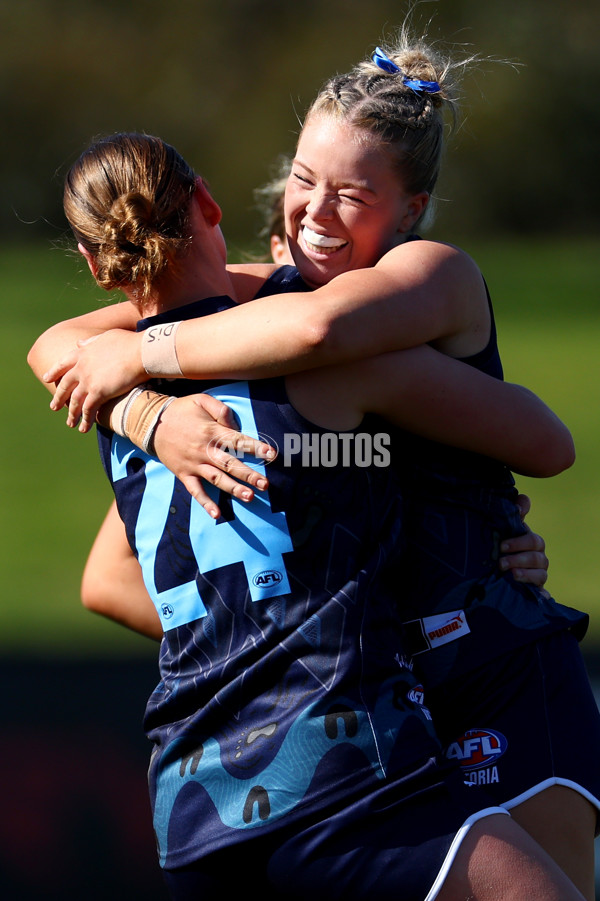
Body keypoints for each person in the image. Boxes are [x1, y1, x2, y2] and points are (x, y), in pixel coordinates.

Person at [28, 25, 600, 896]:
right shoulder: (248, 327)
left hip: (490, 669)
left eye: (352, 194)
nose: (315, 213)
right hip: (376, 703)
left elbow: (542, 439)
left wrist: (142, 368)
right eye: (303, 181)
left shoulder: (423, 276)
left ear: (409, 211)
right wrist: (152, 420)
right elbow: (61, 350)